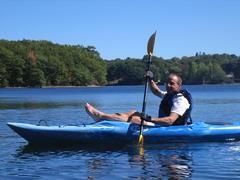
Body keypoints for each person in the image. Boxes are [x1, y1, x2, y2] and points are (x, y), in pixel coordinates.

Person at [85, 72, 192, 126]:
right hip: (163, 126)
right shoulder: (170, 94)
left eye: (172, 83)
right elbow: (156, 91)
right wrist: (150, 80)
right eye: (167, 83)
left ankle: (100, 116)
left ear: (179, 85)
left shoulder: (180, 100)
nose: (168, 85)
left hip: (171, 128)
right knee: (133, 112)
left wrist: (149, 119)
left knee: (134, 119)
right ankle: (103, 117)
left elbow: (170, 120)